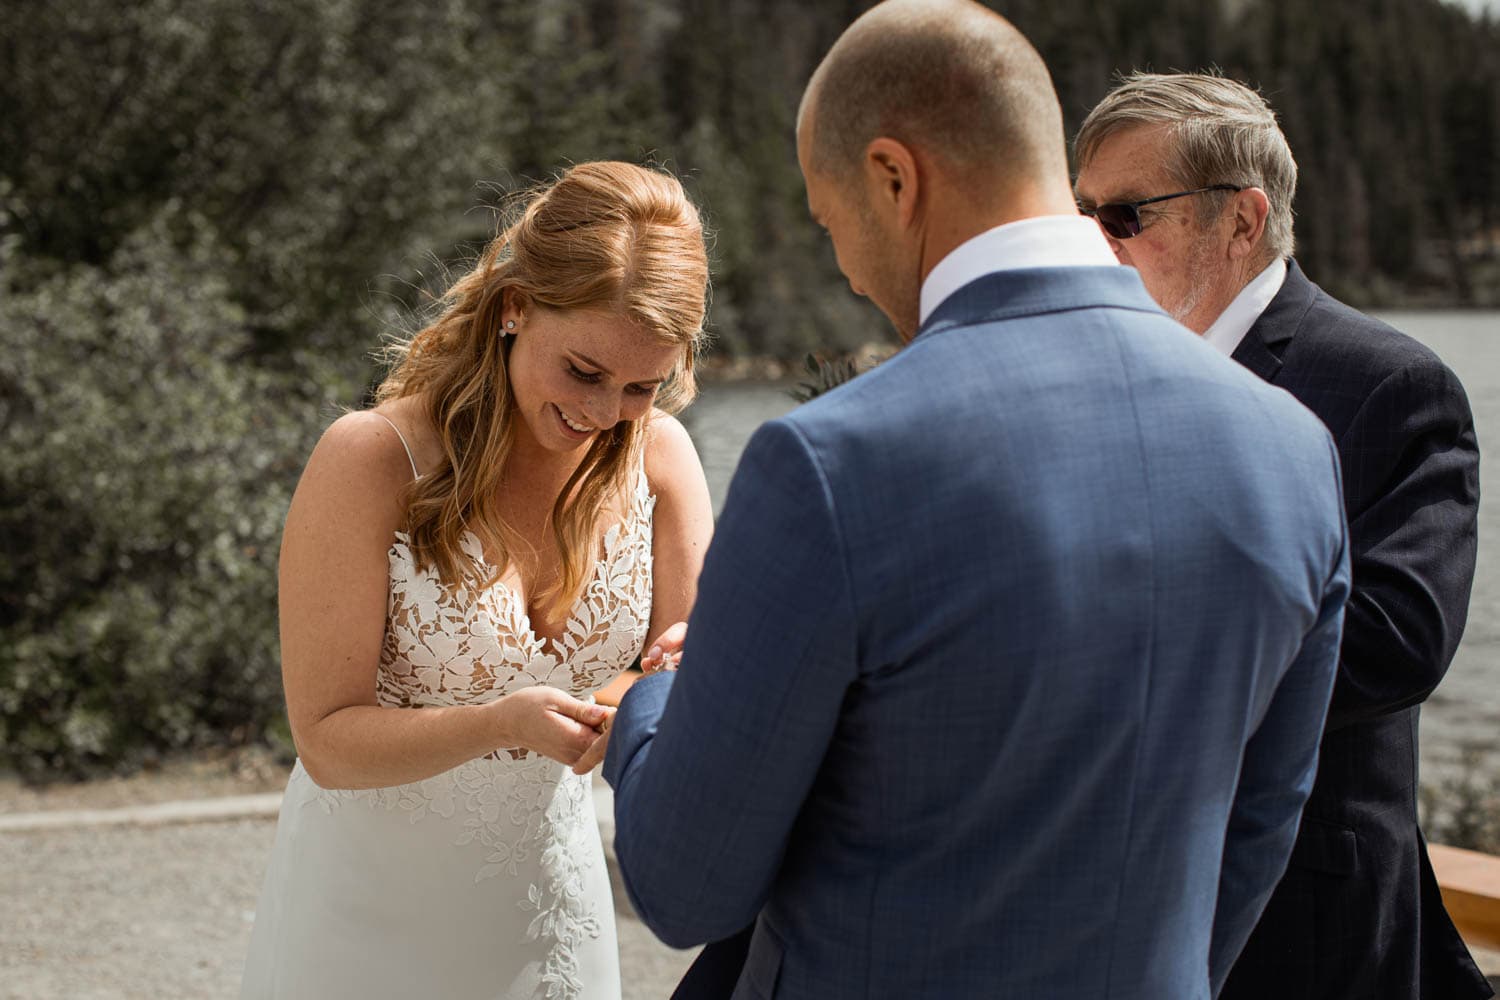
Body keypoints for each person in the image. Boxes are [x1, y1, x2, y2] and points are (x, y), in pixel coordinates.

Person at [596, 2, 1351, 996]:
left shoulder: (829, 462)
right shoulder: (1294, 449)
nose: (847, 268)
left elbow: (686, 887)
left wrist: (656, 699)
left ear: (894, 178)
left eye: (831, 222)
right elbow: (1256, 829)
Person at [239, 161, 714, 1000]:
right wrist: (497, 723)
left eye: (643, 386)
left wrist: (667, 675)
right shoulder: (371, 460)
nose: (606, 414)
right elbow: (325, 738)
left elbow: (671, 677)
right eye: (584, 372)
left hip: (551, 914)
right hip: (365, 923)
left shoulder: (664, 460)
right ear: (515, 307)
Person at [1074, 72, 1489, 1000]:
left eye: (1127, 215)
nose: (1095, 243)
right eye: (1085, 214)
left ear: (1243, 220)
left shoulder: (1392, 386)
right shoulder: (1088, 375)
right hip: (1093, 898)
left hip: (1300, 919)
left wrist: (1123, 663)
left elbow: (1397, 642)